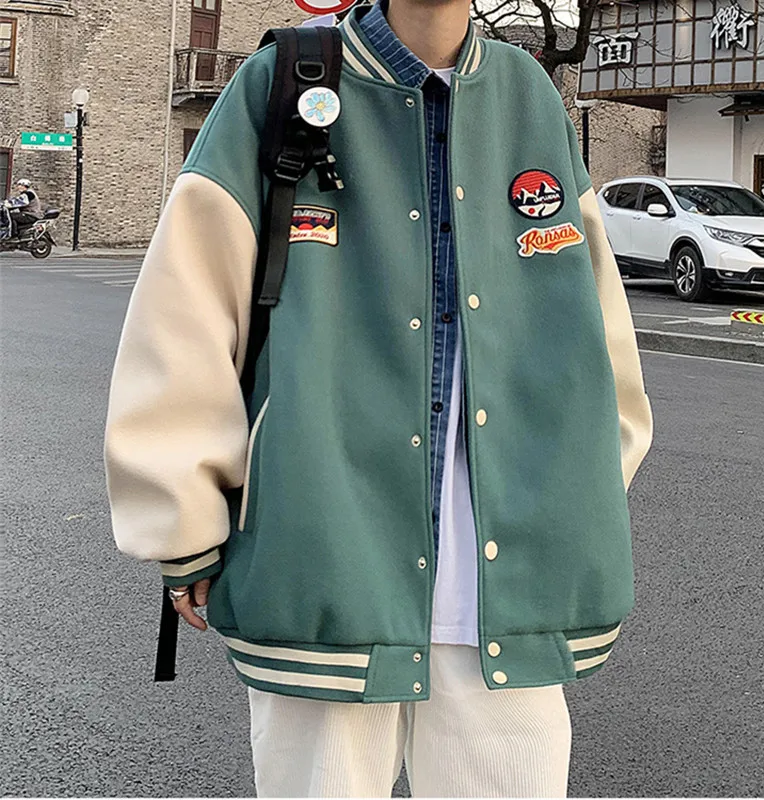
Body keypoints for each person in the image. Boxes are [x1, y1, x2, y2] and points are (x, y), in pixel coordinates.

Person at [104, 0, 654, 796]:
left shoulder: (528, 94)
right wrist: (182, 517)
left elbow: (599, 328)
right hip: (324, 563)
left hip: (508, 590)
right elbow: (184, 314)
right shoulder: (281, 84)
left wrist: (581, 493)